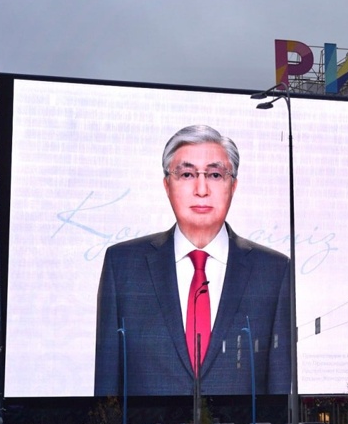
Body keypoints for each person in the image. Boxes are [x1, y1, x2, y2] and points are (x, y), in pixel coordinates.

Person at [94, 125, 290, 396]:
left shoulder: (273, 271)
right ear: (167, 185)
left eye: (214, 174)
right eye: (186, 174)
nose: (201, 189)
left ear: (233, 185)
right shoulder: (123, 265)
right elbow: (107, 386)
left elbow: (278, 390)